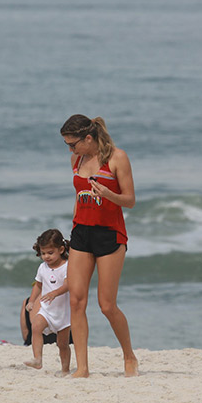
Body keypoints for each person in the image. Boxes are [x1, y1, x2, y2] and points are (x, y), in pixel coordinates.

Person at [61, 114, 138, 377]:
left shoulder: (117, 157)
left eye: (73, 144)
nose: (70, 150)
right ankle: (82, 367)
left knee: (106, 305)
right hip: (81, 233)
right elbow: (77, 196)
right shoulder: (77, 160)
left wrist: (109, 195)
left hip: (110, 235)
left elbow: (129, 200)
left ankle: (129, 356)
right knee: (76, 301)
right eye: (68, 145)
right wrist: (74, 226)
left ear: (89, 138)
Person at [24, 229, 71, 375]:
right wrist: (32, 301)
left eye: (50, 253)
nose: (46, 257)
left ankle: (65, 369)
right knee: (36, 327)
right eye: (43, 253)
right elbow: (38, 285)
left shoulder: (67, 266)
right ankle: (37, 359)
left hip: (63, 312)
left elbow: (68, 284)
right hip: (46, 309)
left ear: (61, 249)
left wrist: (54, 293)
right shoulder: (42, 267)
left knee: (62, 344)